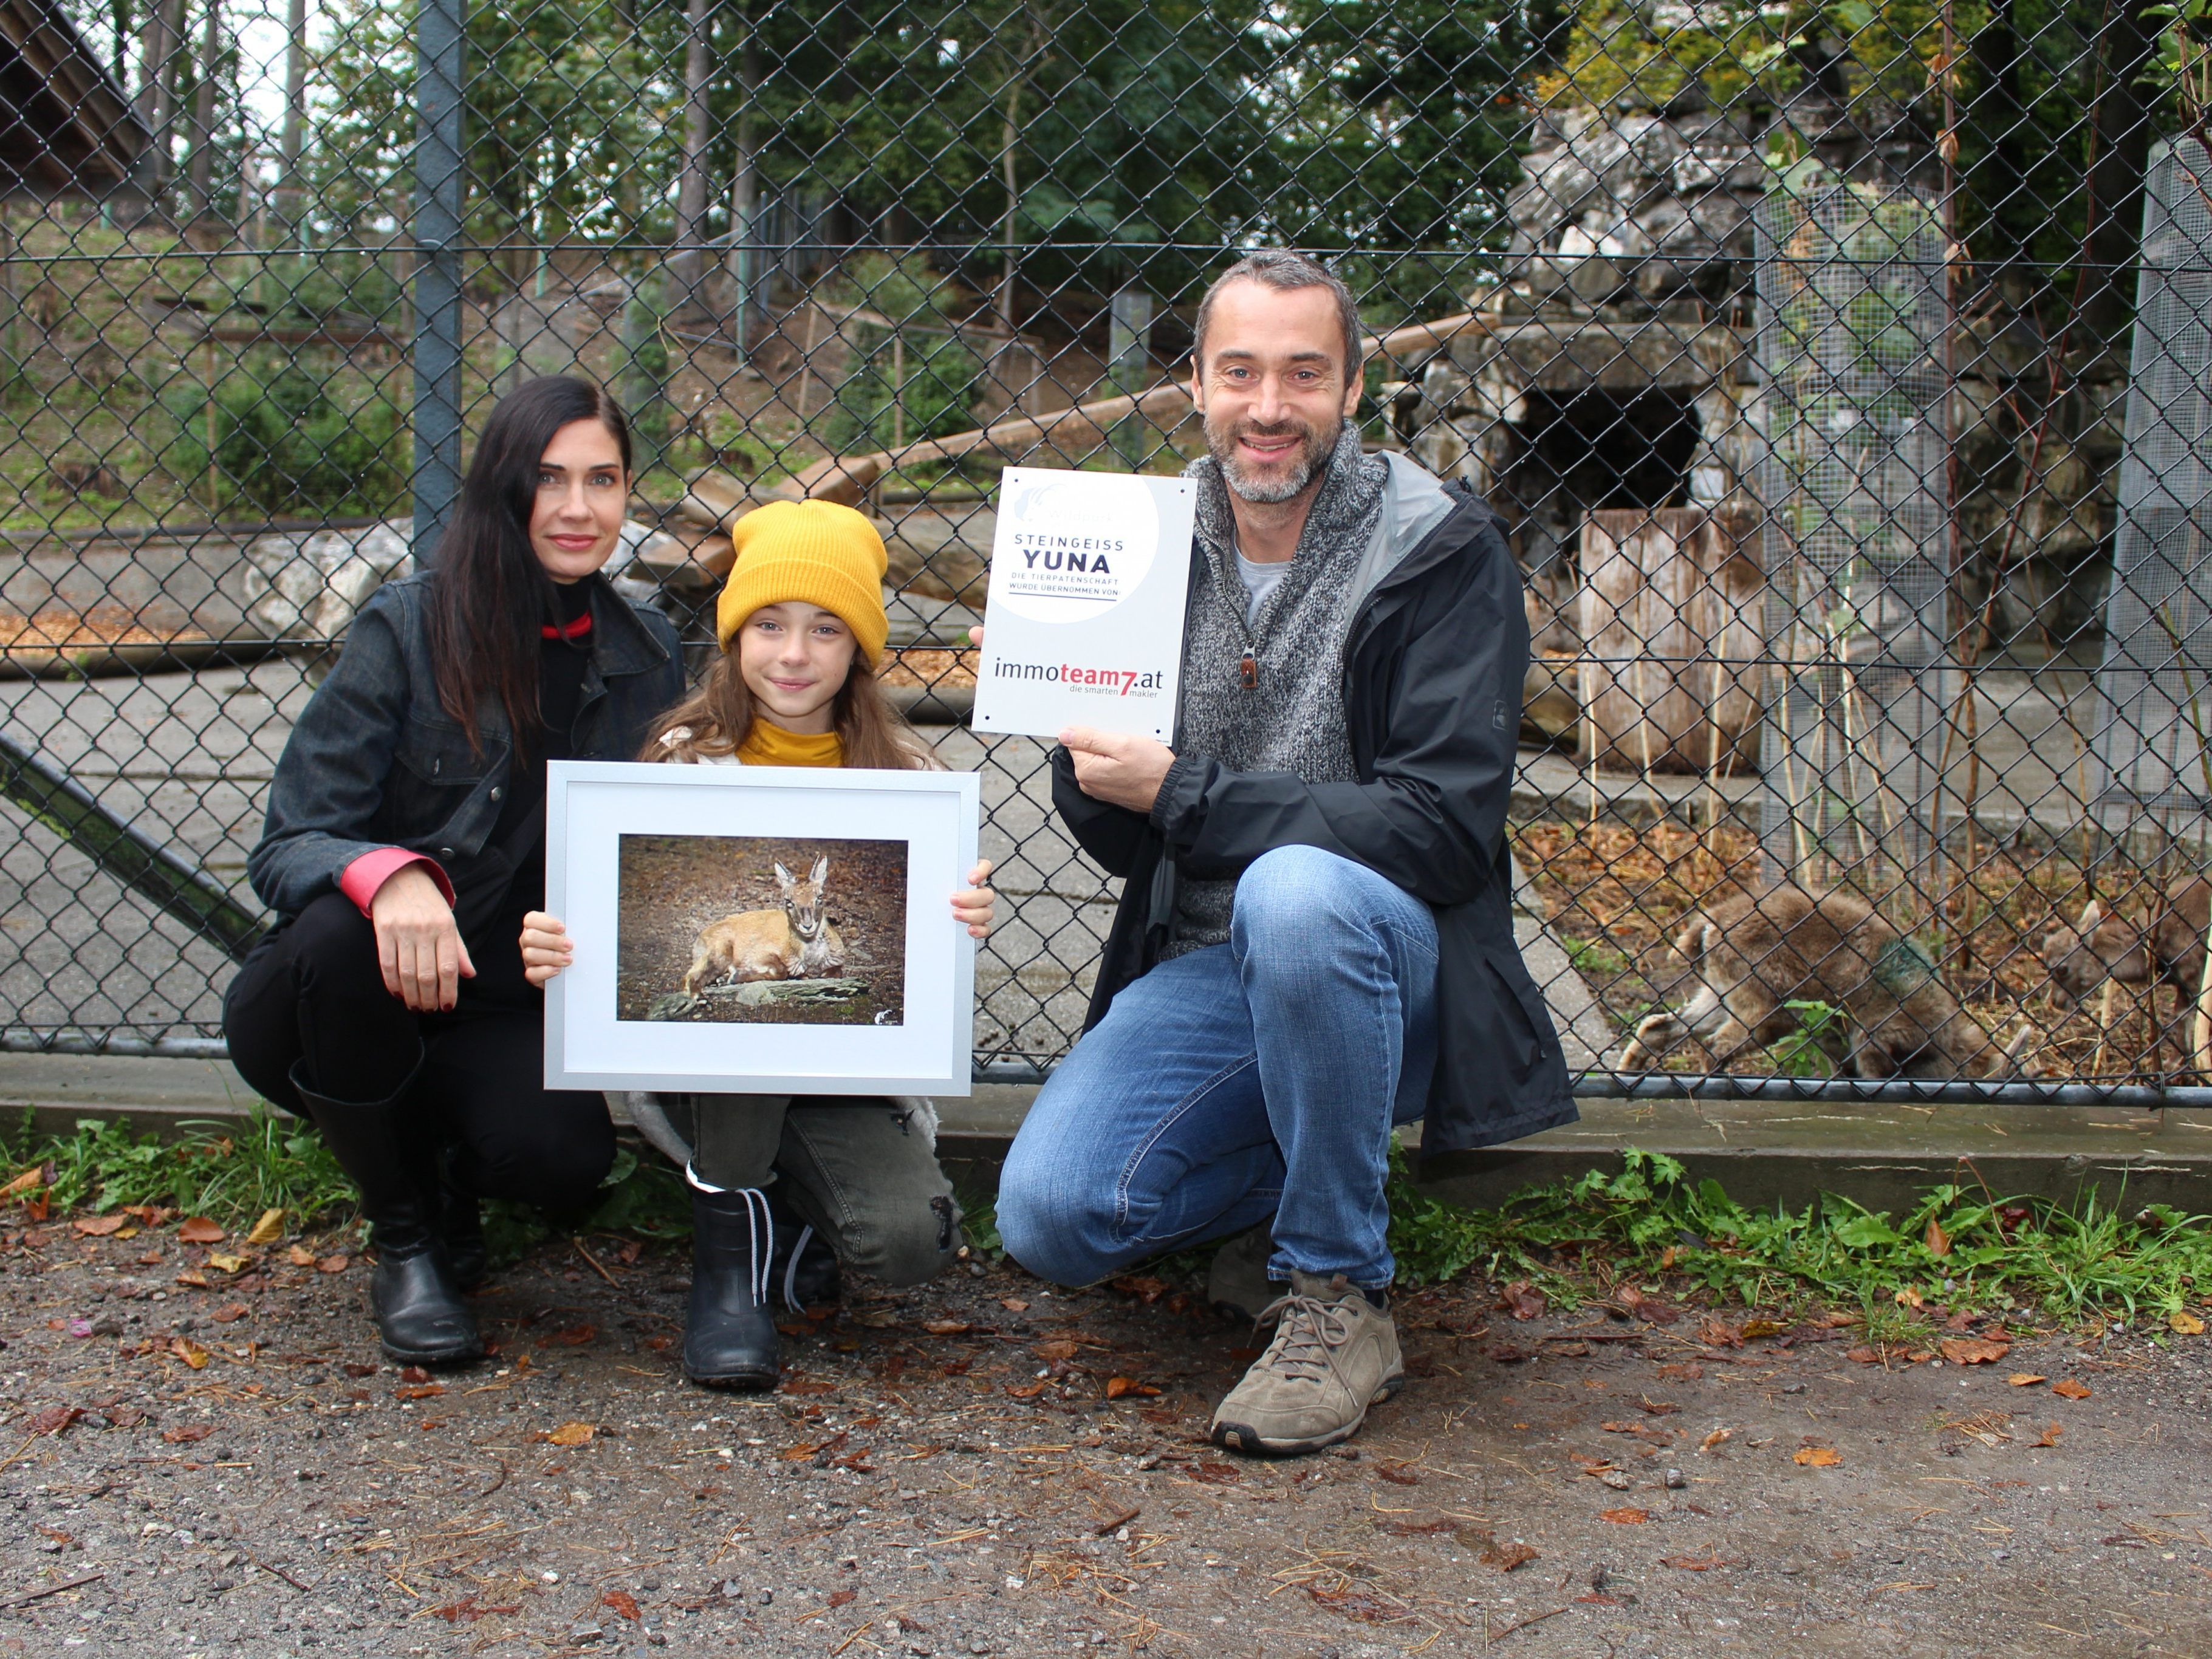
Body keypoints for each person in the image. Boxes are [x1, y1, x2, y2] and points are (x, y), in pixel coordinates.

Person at [992, 250, 1575, 1456]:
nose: (1269, 407)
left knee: (1297, 892)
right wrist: (1087, 761)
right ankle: (1279, 1188)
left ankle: (1334, 1291)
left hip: (1387, 961)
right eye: (1240, 372)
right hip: (1212, 960)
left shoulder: (1440, 544)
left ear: (1353, 388)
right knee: (1054, 1217)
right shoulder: (1127, 542)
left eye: (1303, 374)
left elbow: (1440, 826)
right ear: (1195, 386)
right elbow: (1122, 835)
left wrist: (1186, 793)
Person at [224, 376, 684, 1365]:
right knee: (342, 927)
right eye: (547, 479)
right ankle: (406, 1239)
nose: (576, 508)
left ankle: (436, 1171)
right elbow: (288, 841)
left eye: (601, 480)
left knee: (563, 1160)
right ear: (499, 490)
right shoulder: (408, 626)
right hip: (338, 989)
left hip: (497, 1002)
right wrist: (389, 875)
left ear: (626, 493)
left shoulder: (649, 654)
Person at [519, 499, 996, 1391]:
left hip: (843, 1085)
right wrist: (563, 946)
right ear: (734, 635)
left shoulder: (911, 784)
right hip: (719, 1079)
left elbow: (907, 964)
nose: (792, 654)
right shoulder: (680, 763)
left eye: (825, 629)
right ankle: (728, 1265)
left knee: (906, 1247)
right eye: (768, 625)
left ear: (858, 647)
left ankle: (795, 1204)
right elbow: (609, 918)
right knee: (750, 1008)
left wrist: (954, 928)